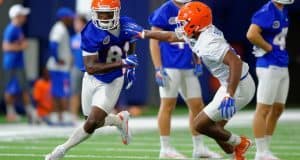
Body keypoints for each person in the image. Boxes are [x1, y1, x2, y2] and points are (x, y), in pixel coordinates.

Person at [126, 2, 256, 160]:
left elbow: (235, 62)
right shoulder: (197, 32)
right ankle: (236, 156)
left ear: (197, 24)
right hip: (231, 83)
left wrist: (229, 94)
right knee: (214, 128)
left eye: (184, 22)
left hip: (238, 86)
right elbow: (170, 36)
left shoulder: (210, 42)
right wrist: (144, 33)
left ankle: (239, 143)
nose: (181, 26)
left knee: (199, 124)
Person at [45, 0, 142, 159]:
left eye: (108, 13)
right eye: (100, 13)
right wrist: (124, 63)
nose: (104, 17)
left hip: (112, 80)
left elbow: (132, 40)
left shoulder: (126, 25)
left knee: (91, 123)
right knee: (90, 121)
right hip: (91, 77)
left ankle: (61, 150)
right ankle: (118, 120)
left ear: (116, 12)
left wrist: (130, 59)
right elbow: (90, 67)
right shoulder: (90, 31)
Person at [148, 0, 220, 158]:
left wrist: (197, 58)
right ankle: (165, 148)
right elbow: (154, 39)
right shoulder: (165, 9)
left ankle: (199, 147)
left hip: (188, 64)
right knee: (168, 105)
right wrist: (158, 67)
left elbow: (194, 36)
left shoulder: (192, 7)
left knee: (197, 106)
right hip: (170, 65)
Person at [246, 0, 293, 159]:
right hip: (268, 65)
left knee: (278, 109)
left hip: (281, 63)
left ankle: (265, 149)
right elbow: (251, 33)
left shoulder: (282, 9)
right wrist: (268, 48)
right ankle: (260, 152)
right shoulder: (267, 10)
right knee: (263, 109)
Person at [2, 4, 39, 123]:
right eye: (23, 15)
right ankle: (11, 113)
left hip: (18, 63)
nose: (25, 17)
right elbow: (5, 47)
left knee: (23, 88)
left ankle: (30, 113)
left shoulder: (18, 28)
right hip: (11, 63)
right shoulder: (11, 28)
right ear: (17, 16)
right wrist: (21, 46)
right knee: (11, 89)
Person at [47, 7, 74, 125]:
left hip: (59, 67)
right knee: (62, 91)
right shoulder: (60, 29)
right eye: (70, 18)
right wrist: (57, 59)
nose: (71, 20)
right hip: (59, 68)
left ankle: (57, 116)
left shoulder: (61, 28)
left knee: (58, 92)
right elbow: (53, 45)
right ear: (64, 18)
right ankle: (62, 116)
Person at [70, 15, 87, 122]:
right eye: (75, 23)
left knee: (88, 92)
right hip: (76, 67)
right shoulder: (73, 38)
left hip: (88, 68)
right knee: (74, 92)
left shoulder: (89, 36)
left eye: (78, 23)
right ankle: (73, 115)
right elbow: (71, 54)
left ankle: (89, 114)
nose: (76, 25)